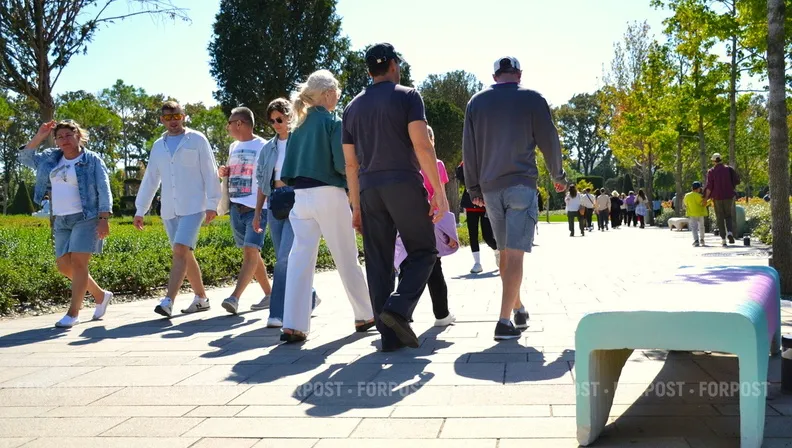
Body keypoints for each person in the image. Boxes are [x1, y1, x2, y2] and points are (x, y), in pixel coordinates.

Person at [342, 43, 449, 351]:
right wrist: (439, 192)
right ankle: (397, 309)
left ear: (368, 70)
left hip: (369, 188)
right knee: (425, 251)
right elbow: (422, 145)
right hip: (403, 182)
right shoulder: (408, 96)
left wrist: (356, 205)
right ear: (392, 65)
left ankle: (389, 335)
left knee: (378, 261)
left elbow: (351, 163)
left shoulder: (351, 107)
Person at [462, 56, 567, 341]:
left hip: (490, 187)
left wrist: (473, 189)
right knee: (516, 254)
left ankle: (518, 306)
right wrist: (558, 175)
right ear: (519, 74)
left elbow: (468, 149)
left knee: (505, 254)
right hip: (521, 184)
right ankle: (503, 321)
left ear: (495, 76)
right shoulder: (533, 99)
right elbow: (549, 139)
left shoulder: (476, 102)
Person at [279, 69, 375, 343]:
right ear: (328, 94)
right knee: (346, 256)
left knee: (300, 259)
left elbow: (287, 170)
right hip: (329, 194)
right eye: (337, 92)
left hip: (301, 197)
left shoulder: (297, 125)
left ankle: (293, 324)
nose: (338, 97)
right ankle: (365, 313)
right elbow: (341, 163)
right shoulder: (332, 122)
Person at [19, 120, 113, 328]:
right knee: (64, 266)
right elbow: (25, 157)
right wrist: (40, 135)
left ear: (79, 136)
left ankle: (73, 313)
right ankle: (100, 295)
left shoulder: (92, 160)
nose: (64, 140)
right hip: (60, 218)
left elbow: (104, 189)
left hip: (86, 217)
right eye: (59, 137)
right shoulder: (51, 158)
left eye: (69, 135)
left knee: (79, 264)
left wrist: (104, 218)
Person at [134, 101, 221, 318]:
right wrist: (140, 209)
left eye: (176, 117)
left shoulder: (197, 139)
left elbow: (210, 172)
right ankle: (201, 298)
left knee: (180, 250)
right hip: (170, 209)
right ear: (162, 120)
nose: (172, 121)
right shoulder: (158, 146)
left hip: (194, 206)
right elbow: (151, 179)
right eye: (167, 118)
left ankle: (168, 301)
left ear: (183, 116)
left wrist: (213, 204)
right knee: (185, 254)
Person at [252, 98, 319, 328]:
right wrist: (257, 211)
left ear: (290, 116)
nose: (276, 124)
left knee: (284, 259)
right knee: (285, 257)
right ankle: (309, 295)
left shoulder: (300, 141)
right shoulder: (267, 148)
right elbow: (262, 182)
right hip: (275, 202)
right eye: (272, 121)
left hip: (297, 200)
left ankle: (278, 312)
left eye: (280, 119)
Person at [216, 106, 273, 314]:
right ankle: (270, 294)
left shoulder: (264, 146)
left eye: (230, 122)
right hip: (236, 208)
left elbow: (268, 177)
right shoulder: (233, 147)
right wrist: (224, 172)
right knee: (251, 253)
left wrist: (261, 209)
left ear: (239, 123)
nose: (227, 126)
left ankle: (234, 297)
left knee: (251, 251)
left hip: (258, 208)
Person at [456, 161, 498, 273]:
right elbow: (459, 175)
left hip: (486, 203)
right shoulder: (466, 162)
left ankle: (498, 251)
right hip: (471, 203)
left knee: (488, 236)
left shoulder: (487, 158)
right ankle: (477, 263)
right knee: (472, 235)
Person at [703, 153, 740, 247]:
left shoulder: (711, 171)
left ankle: (723, 239)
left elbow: (709, 187)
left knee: (720, 218)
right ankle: (730, 233)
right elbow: (736, 181)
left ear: (714, 161)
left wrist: (705, 198)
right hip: (729, 196)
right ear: (721, 159)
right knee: (728, 216)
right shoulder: (729, 169)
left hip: (717, 197)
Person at [684, 181, 708, 247]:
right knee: (701, 227)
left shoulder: (687, 195)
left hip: (692, 214)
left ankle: (696, 240)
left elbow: (685, 204)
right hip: (701, 213)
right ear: (698, 188)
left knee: (694, 228)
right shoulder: (700, 196)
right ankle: (702, 239)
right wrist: (710, 200)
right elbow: (703, 203)